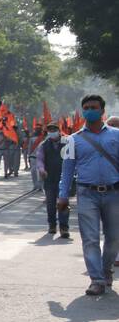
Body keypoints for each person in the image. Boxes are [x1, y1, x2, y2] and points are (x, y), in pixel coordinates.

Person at [58, 94, 119, 296]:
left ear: (102, 111)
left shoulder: (116, 135)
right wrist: (63, 195)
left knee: (114, 237)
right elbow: (66, 170)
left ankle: (106, 268)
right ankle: (97, 279)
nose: (89, 110)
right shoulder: (72, 140)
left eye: (93, 107)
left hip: (114, 193)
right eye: (86, 107)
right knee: (90, 238)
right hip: (86, 194)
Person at [37, 123, 71, 239]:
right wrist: (41, 170)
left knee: (63, 203)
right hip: (49, 178)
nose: (52, 131)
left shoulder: (67, 142)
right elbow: (40, 159)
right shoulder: (43, 145)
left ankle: (64, 228)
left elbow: (72, 159)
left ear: (58, 130)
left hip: (64, 178)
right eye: (49, 130)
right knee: (51, 204)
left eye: (54, 129)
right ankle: (52, 225)